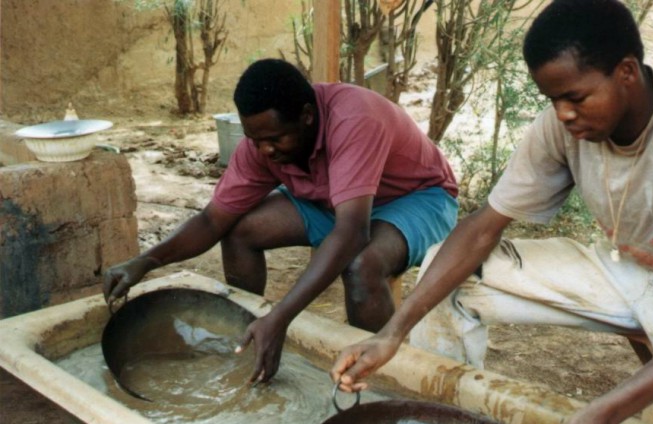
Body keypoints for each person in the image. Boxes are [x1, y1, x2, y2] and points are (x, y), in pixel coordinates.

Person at [331, 1, 653, 424]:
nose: (564, 115)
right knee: (452, 267)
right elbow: (483, 229)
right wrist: (392, 331)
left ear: (626, 72)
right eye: (553, 100)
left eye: (575, 97)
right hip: (618, 267)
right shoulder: (562, 125)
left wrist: (604, 411)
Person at [103, 58, 458, 384]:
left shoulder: (354, 119)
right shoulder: (262, 144)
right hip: (334, 203)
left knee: (362, 265)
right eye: (254, 140)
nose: (265, 151)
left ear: (306, 116)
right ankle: (248, 338)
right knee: (240, 229)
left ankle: (380, 380)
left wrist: (282, 316)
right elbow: (213, 221)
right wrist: (146, 260)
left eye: (274, 139)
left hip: (416, 199)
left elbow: (352, 233)